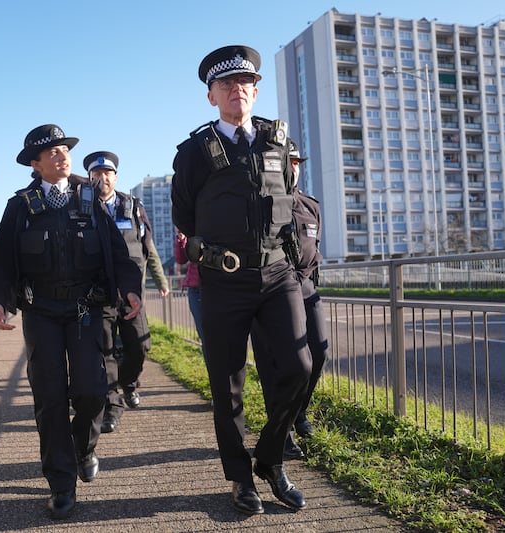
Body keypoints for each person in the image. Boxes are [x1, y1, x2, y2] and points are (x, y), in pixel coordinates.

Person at [171, 45, 312, 515]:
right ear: (212, 96)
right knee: (227, 384)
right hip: (224, 278)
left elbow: (289, 204)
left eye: (244, 82)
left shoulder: (277, 142)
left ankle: (269, 460)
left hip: (277, 273)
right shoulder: (194, 152)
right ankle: (239, 478)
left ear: (254, 90)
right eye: (225, 84)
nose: (236, 90)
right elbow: (184, 214)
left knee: (299, 366)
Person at [0, 125, 142, 520]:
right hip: (41, 312)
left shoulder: (91, 198)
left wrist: (130, 288)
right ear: (35, 165)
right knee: (50, 397)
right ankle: (61, 483)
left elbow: (119, 253)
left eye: (64, 149)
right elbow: (1, 259)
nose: (61, 156)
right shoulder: (20, 205)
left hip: (87, 311)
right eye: (51, 152)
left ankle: (84, 447)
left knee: (91, 391)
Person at [83, 151, 170, 434]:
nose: (102, 178)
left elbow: (149, 248)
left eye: (107, 173)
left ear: (115, 177)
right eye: (96, 174)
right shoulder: (82, 208)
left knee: (139, 346)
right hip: (100, 294)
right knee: (104, 352)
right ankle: (113, 405)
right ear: (89, 178)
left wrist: (161, 280)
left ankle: (130, 383)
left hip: (131, 294)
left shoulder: (133, 207)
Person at [252, 141, 327, 461]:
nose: (293, 167)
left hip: (307, 290)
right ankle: (282, 432)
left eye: (297, 162)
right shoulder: (262, 203)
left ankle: (298, 412)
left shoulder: (310, 205)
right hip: (272, 294)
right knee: (274, 366)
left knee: (318, 352)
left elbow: (314, 246)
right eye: (288, 161)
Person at [174, 229, 204, 348]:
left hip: (219, 287)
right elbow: (181, 259)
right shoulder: (192, 227)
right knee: (205, 337)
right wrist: (181, 239)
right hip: (196, 289)